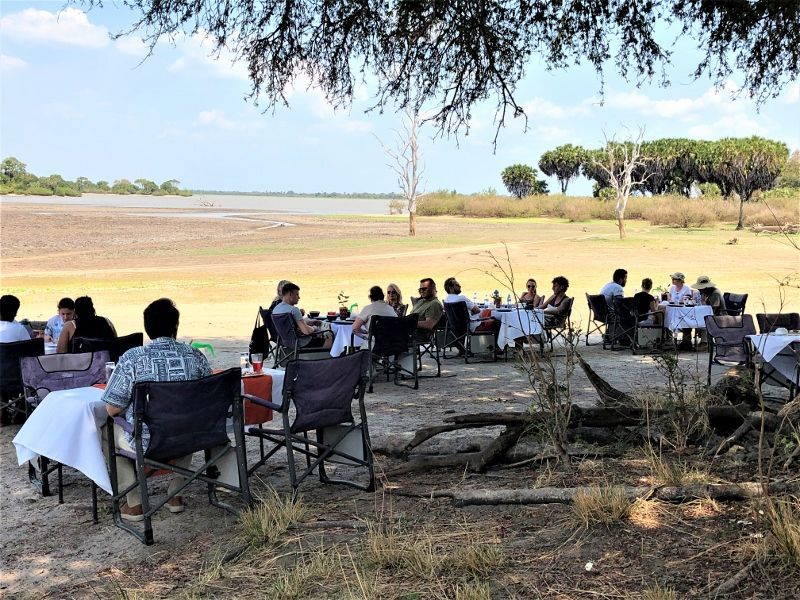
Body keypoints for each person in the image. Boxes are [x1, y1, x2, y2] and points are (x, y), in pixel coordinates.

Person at [102, 298, 235, 521]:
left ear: (147, 328)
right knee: (185, 420)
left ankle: (133, 502)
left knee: (106, 432)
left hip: (152, 440)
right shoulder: (195, 356)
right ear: (176, 326)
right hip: (194, 434)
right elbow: (207, 398)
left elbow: (112, 409)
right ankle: (176, 493)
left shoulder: (132, 358)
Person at [272, 282, 332, 349]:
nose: (299, 297)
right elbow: (306, 331)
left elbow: (290, 325)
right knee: (329, 337)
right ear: (290, 294)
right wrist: (315, 328)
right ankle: (327, 358)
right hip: (300, 343)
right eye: (297, 294)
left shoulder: (275, 310)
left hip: (286, 342)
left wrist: (308, 323)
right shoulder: (294, 310)